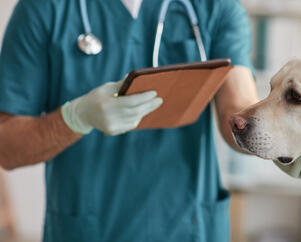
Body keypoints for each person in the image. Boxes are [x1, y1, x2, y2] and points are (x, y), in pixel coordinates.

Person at [0, 0, 260, 241]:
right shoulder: (44, 8)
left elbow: (238, 110)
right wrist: (75, 118)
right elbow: (7, 147)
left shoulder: (215, 7)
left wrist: (277, 139)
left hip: (187, 227)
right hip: (88, 230)